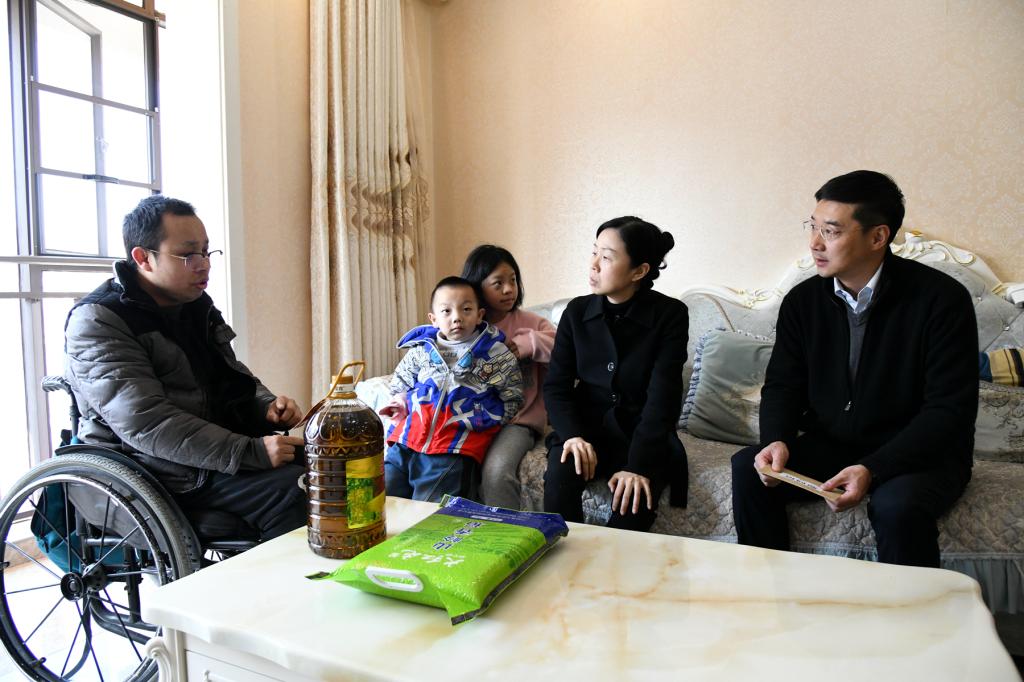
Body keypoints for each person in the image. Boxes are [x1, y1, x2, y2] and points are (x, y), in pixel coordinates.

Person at [730, 170, 978, 567]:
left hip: (921, 453)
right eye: (813, 227)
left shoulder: (942, 300)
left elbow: (949, 410)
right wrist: (775, 439)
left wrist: (873, 469)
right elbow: (783, 385)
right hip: (836, 443)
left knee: (896, 506)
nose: (814, 244)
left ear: (878, 237)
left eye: (830, 232)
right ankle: (771, 592)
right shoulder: (802, 301)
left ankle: (912, 607)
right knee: (749, 467)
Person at [64, 195, 307, 542]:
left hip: (206, 455)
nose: (204, 265)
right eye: (188, 255)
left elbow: (229, 377)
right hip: (151, 469)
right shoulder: (99, 321)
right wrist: (250, 452)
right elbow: (146, 423)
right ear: (142, 258)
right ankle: (283, 579)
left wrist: (266, 408)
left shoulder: (194, 305)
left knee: (336, 465)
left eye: (207, 252)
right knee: (296, 491)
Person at [543, 216, 688, 531]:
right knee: (559, 483)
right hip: (585, 430)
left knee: (633, 507)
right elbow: (556, 386)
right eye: (594, 251)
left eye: (607, 257)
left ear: (639, 271)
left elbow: (663, 398)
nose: (593, 264)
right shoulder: (576, 312)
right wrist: (572, 435)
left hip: (642, 435)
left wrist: (638, 465)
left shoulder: (670, 315)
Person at [379, 276, 524, 502]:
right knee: (382, 502)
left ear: (479, 315)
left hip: (453, 450)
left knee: (430, 512)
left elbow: (513, 395)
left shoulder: (496, 354)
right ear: (434, 319)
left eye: (466, 309)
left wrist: (489, 423)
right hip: (405, 442)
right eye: (446, 311)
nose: (457, 317)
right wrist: (400, 402)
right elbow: (400, 382)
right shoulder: (422, 349)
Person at [461, 245, 556, 509]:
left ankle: (505, 530)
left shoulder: (533, 323)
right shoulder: (467, 327)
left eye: (513, 280)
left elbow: (565, 351)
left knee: (496, 473)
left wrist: (528, 344)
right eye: (498, 283)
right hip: (475, 418)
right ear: (477, 287)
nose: (508, 289)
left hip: (518, 421)